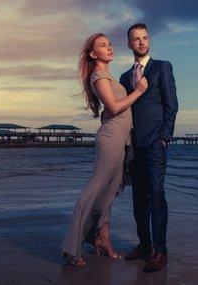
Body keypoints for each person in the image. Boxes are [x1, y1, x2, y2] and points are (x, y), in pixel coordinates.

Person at [60, 33, 148, 267]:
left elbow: (113, 109)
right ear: (92, 54)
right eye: (102, 45)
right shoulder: (99, 76)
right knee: (94, 192)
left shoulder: (109, 77)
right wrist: (138, 92)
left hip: (121, 141)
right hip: (110, 141)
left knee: (108, 194)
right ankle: (72, 247)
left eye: (109, 44)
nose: (108, 47)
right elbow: (114, 107)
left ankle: (103, 239)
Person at [119, 23, 178, 273]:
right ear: (129, 44)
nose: (141, 42)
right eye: (136, 39)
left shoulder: (162, 67)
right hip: (134, 145)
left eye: (145, 38)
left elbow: (171, 104)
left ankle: (160, 250)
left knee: (156, 194)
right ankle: (144, 246)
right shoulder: (124, 77)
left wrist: (164, 136)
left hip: (155, 143)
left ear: (149, 40)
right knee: (138, 198)